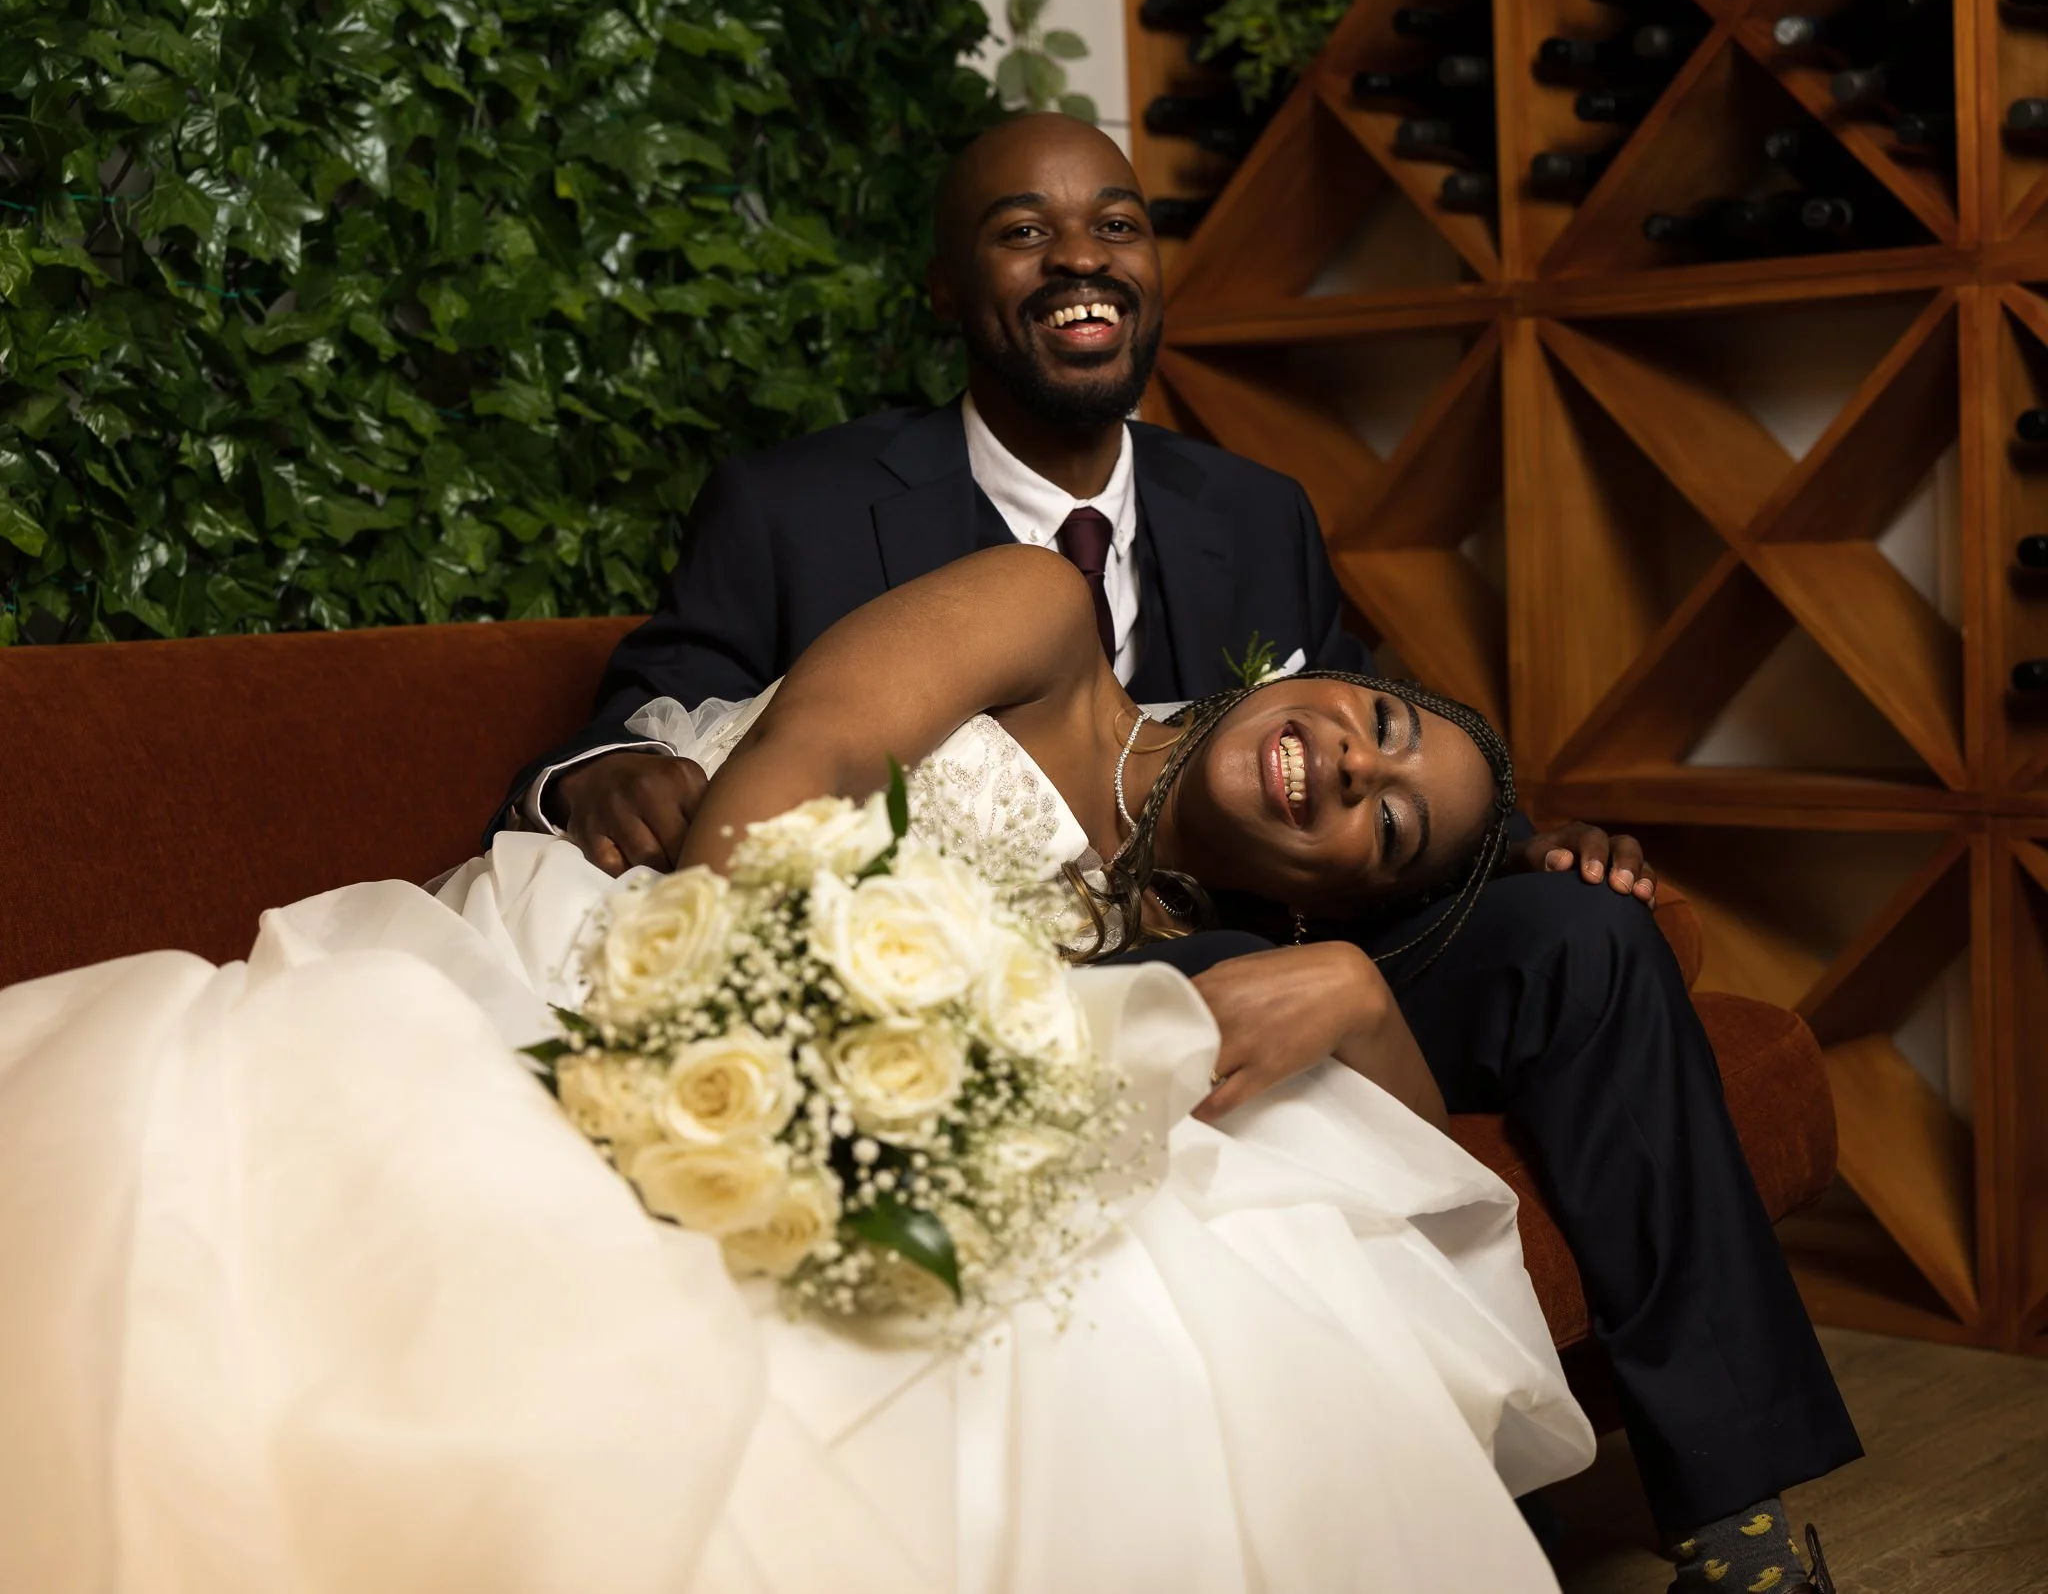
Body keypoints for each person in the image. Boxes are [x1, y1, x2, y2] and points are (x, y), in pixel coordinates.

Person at [504, 112, 1858, 1594]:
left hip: (1245, 892)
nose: (1079, 256)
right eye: (1023, 231)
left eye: (1117, 224)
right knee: (1213, 982)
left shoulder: (1255, 510)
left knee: (1589, 939)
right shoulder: (811, 505)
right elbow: (688, 713)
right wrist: (602, 773)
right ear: (948, 287)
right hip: (1050, 938)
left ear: (1155, 264)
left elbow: (1369, 736)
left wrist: (1527, 850)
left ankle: (1729, 1500)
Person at [0, 545, 1596, 1593]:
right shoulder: (1048, 621)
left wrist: (1351, 994)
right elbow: (802, 758)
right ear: (1308, 673)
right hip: (661, 935)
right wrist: (755, 1033)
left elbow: (1426, 1174)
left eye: (1392, 823)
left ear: (1333, 897)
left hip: (879, 1073)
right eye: (1382, 719)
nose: (1358, 764)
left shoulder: (1165, 937)